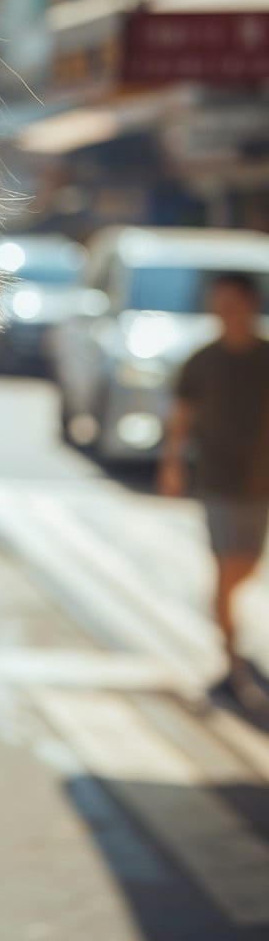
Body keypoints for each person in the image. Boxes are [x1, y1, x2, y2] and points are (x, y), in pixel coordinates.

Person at [159, 271, 269, 708]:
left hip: (261, 481)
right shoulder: (202, 359)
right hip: (218, 479)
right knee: (226, 568)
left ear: (251, 303)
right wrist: (171, 464)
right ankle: (231, 660)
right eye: (217, 302)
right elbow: (183, 413)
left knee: (246, 568)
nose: (224, 310)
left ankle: (223, 617)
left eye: (232, 301)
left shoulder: (265, 356)